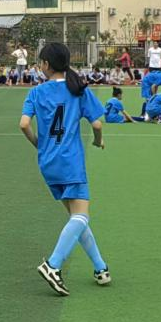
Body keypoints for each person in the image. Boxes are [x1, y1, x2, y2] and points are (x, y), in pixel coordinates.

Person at [19, 43, 110, 297]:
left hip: (48, 164)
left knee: (76, 219)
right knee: (81, 217)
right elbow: (97, 123)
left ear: (46, 65)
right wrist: (97, 139)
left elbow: (24, 124)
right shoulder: (78, 89)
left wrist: (39, 143)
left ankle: (100, 268)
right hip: (70, 162)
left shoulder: (36, 93)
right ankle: (53, 265)